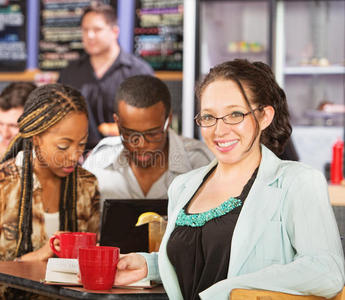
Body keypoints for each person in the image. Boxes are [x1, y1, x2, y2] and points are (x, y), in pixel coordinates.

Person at [114, 60, 345, 299]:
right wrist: (150, 265)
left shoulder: (297, 182)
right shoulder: (183, 186)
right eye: (208, 117)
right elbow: (201, 260)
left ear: (264, 116)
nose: (220, 130)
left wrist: (230, 291)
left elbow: (326, 271)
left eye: (235, 114)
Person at [0, 84, 100, 299]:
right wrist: (24, 264)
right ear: (35, 138)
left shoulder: (87, 186)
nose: (74, 156)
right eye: (63, 146)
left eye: (82, 144)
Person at [83, 75, 212, 204]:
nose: (142, 144)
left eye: (152, 134)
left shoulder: (202, 162)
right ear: (117, 123)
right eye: (130, 134)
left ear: (168, 121)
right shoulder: (98, 163)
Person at [57, 2, 153, 149]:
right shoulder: (69, 73)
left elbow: (152, 123)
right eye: (85, 30)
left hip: (129, 159)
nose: (89, 35)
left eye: (97, 29)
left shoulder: (139, 72)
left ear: (115, 31)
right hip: (78, 161)